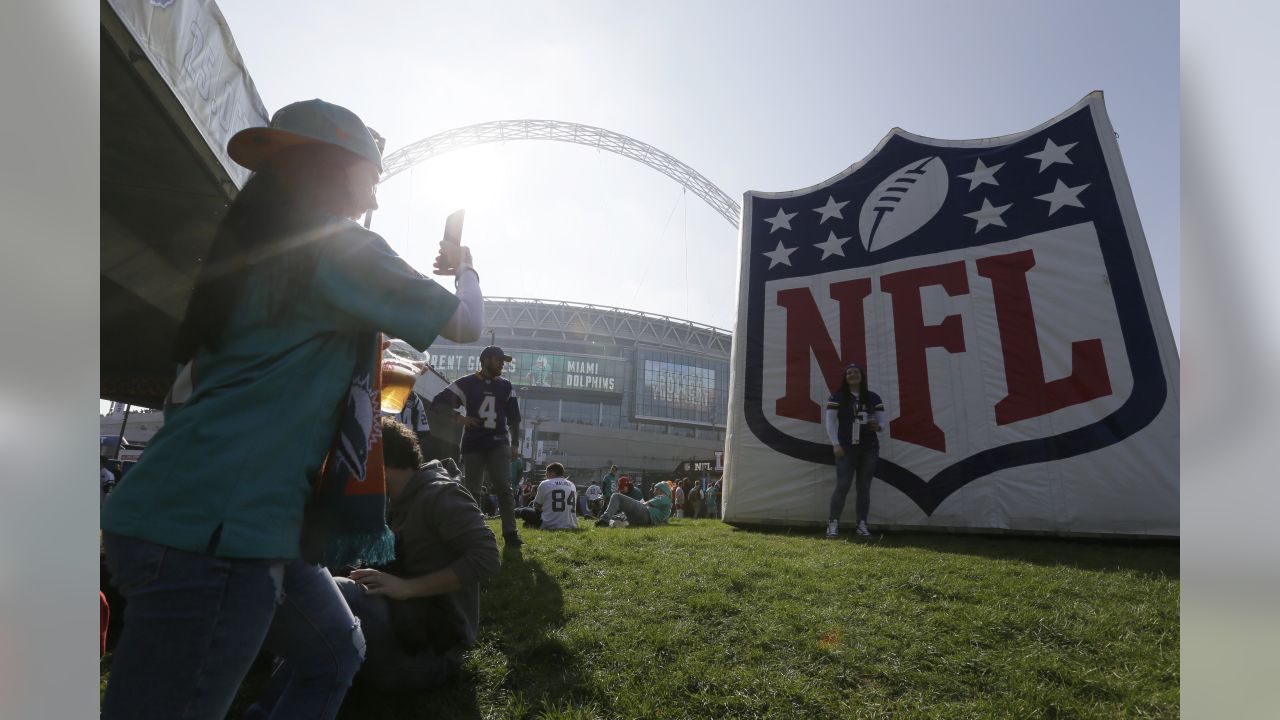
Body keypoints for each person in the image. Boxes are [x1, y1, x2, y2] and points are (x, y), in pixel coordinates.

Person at [99, 99, 484, 719]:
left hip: (211, 517)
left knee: (334, 652)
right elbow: (464, 323)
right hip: (221, 532)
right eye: (372, 181)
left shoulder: (250, 260)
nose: (375, 202)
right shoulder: (338, 245)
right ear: (338, 169)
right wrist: (465, 269)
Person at [433, 346, 523, 547]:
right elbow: (437, 403)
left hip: (499, 442)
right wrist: (458, 417)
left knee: (503, 486)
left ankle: (510, 534)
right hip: (474, 443)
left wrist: (515, 443)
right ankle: (474, 531)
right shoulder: (466, 383)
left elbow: (515, 419)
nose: (502, 364)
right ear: (486, 359)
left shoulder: (506, 386)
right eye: (500, 360)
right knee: (472, 490)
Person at [825, 361, 886, 538]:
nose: (852, 375)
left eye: (856, 372)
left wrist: (879, 427)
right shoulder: (837, 397)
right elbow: (830, 422)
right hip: (846, 447)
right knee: (842, 485)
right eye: (849, 372)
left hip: (869, 447)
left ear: (862, 375)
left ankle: (861, 524)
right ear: (845, 377)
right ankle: (833, 523)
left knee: (864, 487)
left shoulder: (873, 397)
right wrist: (835, 443)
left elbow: (882, 422)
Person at [514, 462, 579, 530]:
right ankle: (530, 524)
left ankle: (510, 514)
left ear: (553, 473)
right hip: (570, 524)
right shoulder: (572, 485)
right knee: (525, 512)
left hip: (549, 523)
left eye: (547, 473)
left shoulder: (546, 483)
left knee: (524, 511)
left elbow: (536, 506)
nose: (545, 475)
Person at [594, 481, 673, 528]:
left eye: (656, 489)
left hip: (646, 514)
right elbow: (664, 519)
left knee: (616, 496)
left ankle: (605, 520)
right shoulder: (667, 504)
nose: (653, 491)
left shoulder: (663, 497)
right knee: (618, 517)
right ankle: (615, 522)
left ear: (662, 490)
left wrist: (632, 504)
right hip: (646, 520)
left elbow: (646, 504)